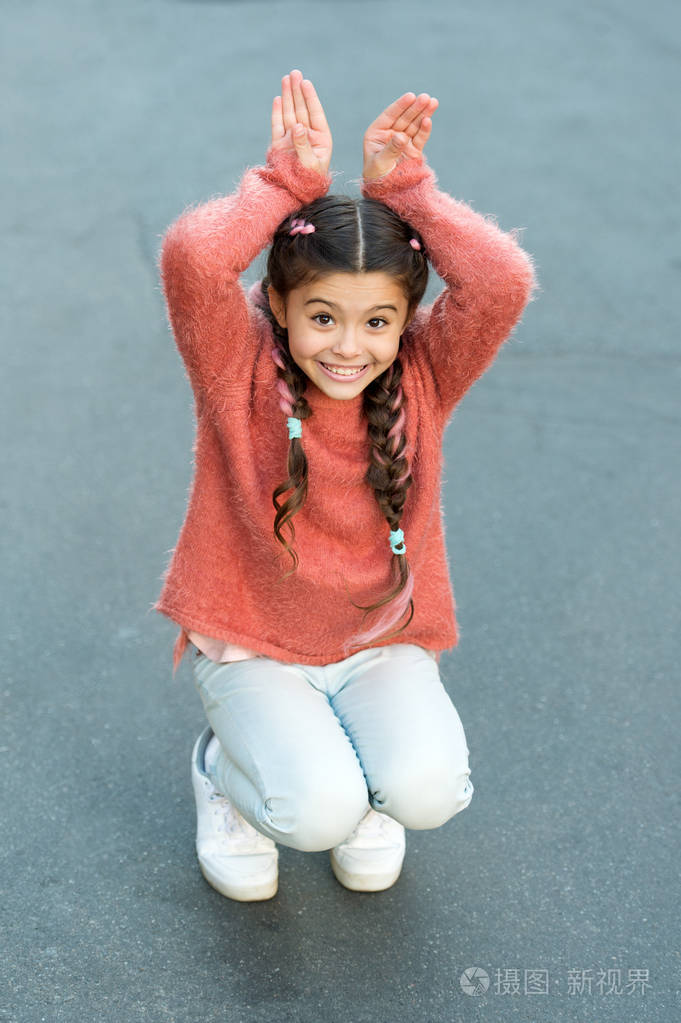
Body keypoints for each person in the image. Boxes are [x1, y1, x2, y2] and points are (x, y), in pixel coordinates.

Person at [153, 70, 538, 902]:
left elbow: (500, 280)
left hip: (378, 646)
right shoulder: (237, 365)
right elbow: (192, 257)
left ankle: (369, 782)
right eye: (322, 315)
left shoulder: (425, 374)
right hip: (256, 644)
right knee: (315, 815)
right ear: (280, 307)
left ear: (406, 323)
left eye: (376, 321)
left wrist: (406, 190)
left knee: (428, 793)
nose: (347, 346)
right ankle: (226, 776)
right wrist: (286, 183)